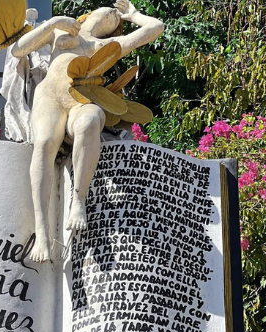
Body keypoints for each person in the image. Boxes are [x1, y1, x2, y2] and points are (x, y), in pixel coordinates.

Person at [10, 0, 164, 262]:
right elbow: (18, 49)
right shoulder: (62, 31)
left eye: (116, 19)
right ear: (88, 16)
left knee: (92, 119)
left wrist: (133, 15)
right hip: (50, 97)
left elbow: (156, 27)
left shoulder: (104, 47)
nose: (113, 15)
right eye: (111, 13)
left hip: (80, 101)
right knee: (45, 142)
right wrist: (54, 22)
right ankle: (42, 232)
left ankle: (78, 199)